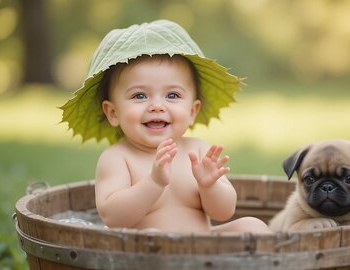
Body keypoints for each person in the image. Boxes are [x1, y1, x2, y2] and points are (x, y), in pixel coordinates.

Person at [60, 20, 270, 233]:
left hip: (205, 251)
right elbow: (113, 217)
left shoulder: (198, 151)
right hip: (149, 255)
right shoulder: (117, 158)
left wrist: (209, 186)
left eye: (172, 95)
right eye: (139, 95)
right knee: (152, 237)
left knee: (253, 226)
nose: (157, 106)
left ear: (192, 111)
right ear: (113, 113)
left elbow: (224, 212)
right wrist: (153, 182)